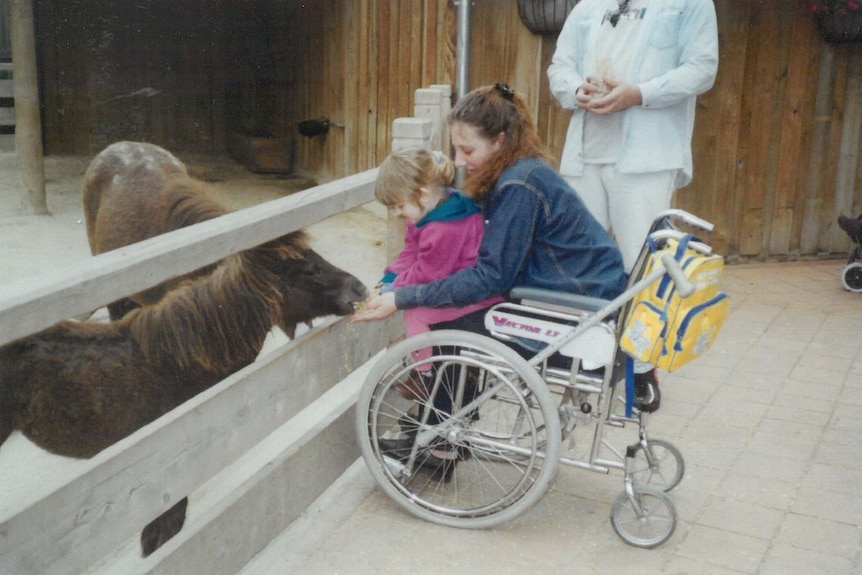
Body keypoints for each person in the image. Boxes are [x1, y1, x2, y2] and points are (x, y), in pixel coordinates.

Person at [353, 84, 644, 472]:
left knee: (452, 330)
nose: (458, 162)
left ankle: (439, 444)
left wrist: (404, 297)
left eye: (468, 150)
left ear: (500, 141)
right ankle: (440, 431)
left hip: (578, 314)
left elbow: (490, 277)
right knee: (464, 320)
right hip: (586, 296)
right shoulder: (524, 173)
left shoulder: (517, 187)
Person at [547, 0, 719, 273]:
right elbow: (559, 67)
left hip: (646, 159)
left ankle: (639, 317)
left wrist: (640, 93)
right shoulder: (588, 6)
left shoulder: (691, 3)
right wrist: (576, 89)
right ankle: (586, 317)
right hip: (583, 157)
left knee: (641, 259)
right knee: (576, 259)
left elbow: (702, 68)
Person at [372, 146, 504, 398]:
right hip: (451, 284)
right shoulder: (428, 212)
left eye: (399, 206)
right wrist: (388, 278)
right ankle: (425, 367)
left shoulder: (443, 228)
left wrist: (396, 290)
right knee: (409, 301)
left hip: (474, 294)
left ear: (421, 194)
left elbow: (428, 272)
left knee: (416, 314)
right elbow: (411, 251)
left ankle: (423, 375)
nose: (398, 214)